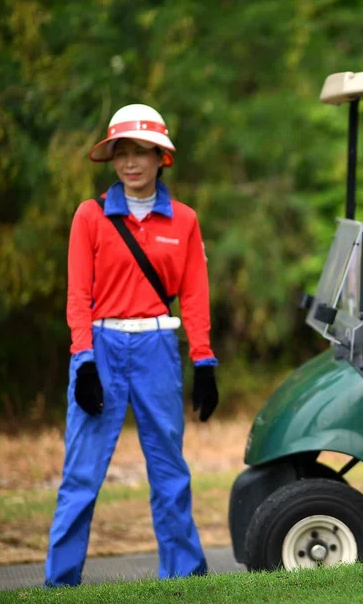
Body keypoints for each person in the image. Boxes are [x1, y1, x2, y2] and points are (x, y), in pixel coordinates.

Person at [44, 104, 219, 587]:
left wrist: (204, 361)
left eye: (142, 151)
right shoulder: (90, 215)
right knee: (81, 475)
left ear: (161, 158)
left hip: (157, 348)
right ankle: (60, 584)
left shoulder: (184, 220)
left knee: (169, 472)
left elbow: (195, 296)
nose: (131, 162)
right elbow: (77, 296)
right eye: (122, 152)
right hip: (100, 348)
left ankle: (184, 579)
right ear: (112, 158)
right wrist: (83, 360)